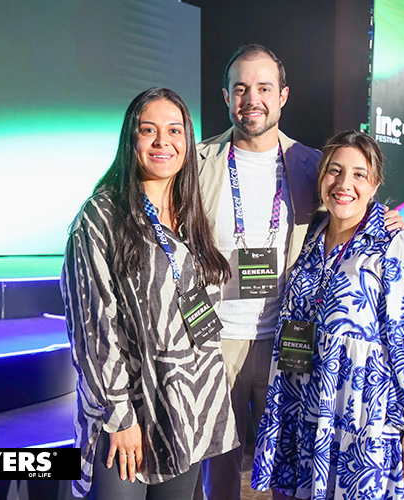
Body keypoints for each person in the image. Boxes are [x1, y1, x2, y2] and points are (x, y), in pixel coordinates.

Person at [196, 45, 404, 500]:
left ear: (283, 95)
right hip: (214, 339)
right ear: (226, 96)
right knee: (217, 472)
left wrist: (398, 224)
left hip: (288, 341)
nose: (253, 98)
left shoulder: (313, 165)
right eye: (241, 88)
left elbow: (350, 205)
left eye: (264, 88)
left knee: (287, 460)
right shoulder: (196, 164)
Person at [251, 130, 404, 500]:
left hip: (364, 420)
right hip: (305, 407)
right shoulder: (310, 239)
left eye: (359, 174)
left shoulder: (399, 244)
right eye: (335, 171)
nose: (345, 183)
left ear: (375, 184)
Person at [61, 88, 238, 499]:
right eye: (148, 130)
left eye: (175, 130)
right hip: (128, 411)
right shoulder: (101, 216)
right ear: (131, 140)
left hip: (188, 407)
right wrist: (120, 417)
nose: (163, 142)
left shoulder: (192, 213)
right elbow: (93, 329)